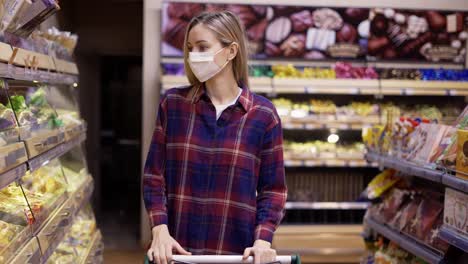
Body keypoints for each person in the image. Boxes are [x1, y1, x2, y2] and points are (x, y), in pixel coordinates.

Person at [143, 10, 287, 264]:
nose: (193, 55)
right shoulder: (173, 105)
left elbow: (272, 190)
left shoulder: (263, 115)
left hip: (237, 254)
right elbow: (154, 177)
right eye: (190, 48)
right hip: (178, 253)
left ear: (231, 51)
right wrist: (159, 229)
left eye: (202, 47)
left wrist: (263, 240)